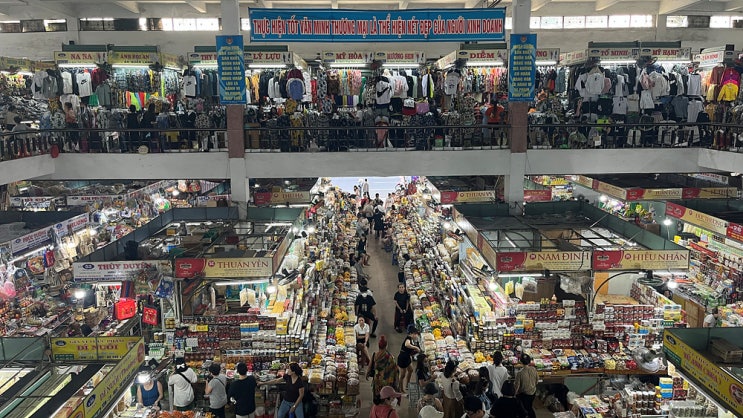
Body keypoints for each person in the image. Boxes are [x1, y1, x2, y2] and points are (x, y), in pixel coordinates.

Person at [397, 325, 421, 394]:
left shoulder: (412, 339)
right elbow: (407, 345)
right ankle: (401, 389)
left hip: (407, 357)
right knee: (402, 375)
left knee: (410, 370)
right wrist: (415, 348)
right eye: (416, 334)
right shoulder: (408, 338)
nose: (416, 336)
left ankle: (407, 384)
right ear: (412, 334)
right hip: (403, 358)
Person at [514, 354, 537, 418]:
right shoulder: (533, 369)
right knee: (529, 406)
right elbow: (537, 380)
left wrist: (514, 394)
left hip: (525, 394)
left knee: (526, 408)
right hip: (533, 392)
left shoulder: (520, 373)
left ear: (521, 361)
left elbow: (517, 386)